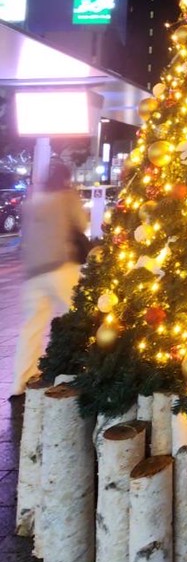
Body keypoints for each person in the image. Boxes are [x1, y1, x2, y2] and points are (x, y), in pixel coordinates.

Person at [10, 161, 88, 395]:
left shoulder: (32, 203)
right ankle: (82, 369)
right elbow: (82, 223)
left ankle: (20, 382)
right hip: (61, 267)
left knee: (32, 326)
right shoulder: (67, 197)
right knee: (77, 315)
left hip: (33, 273)